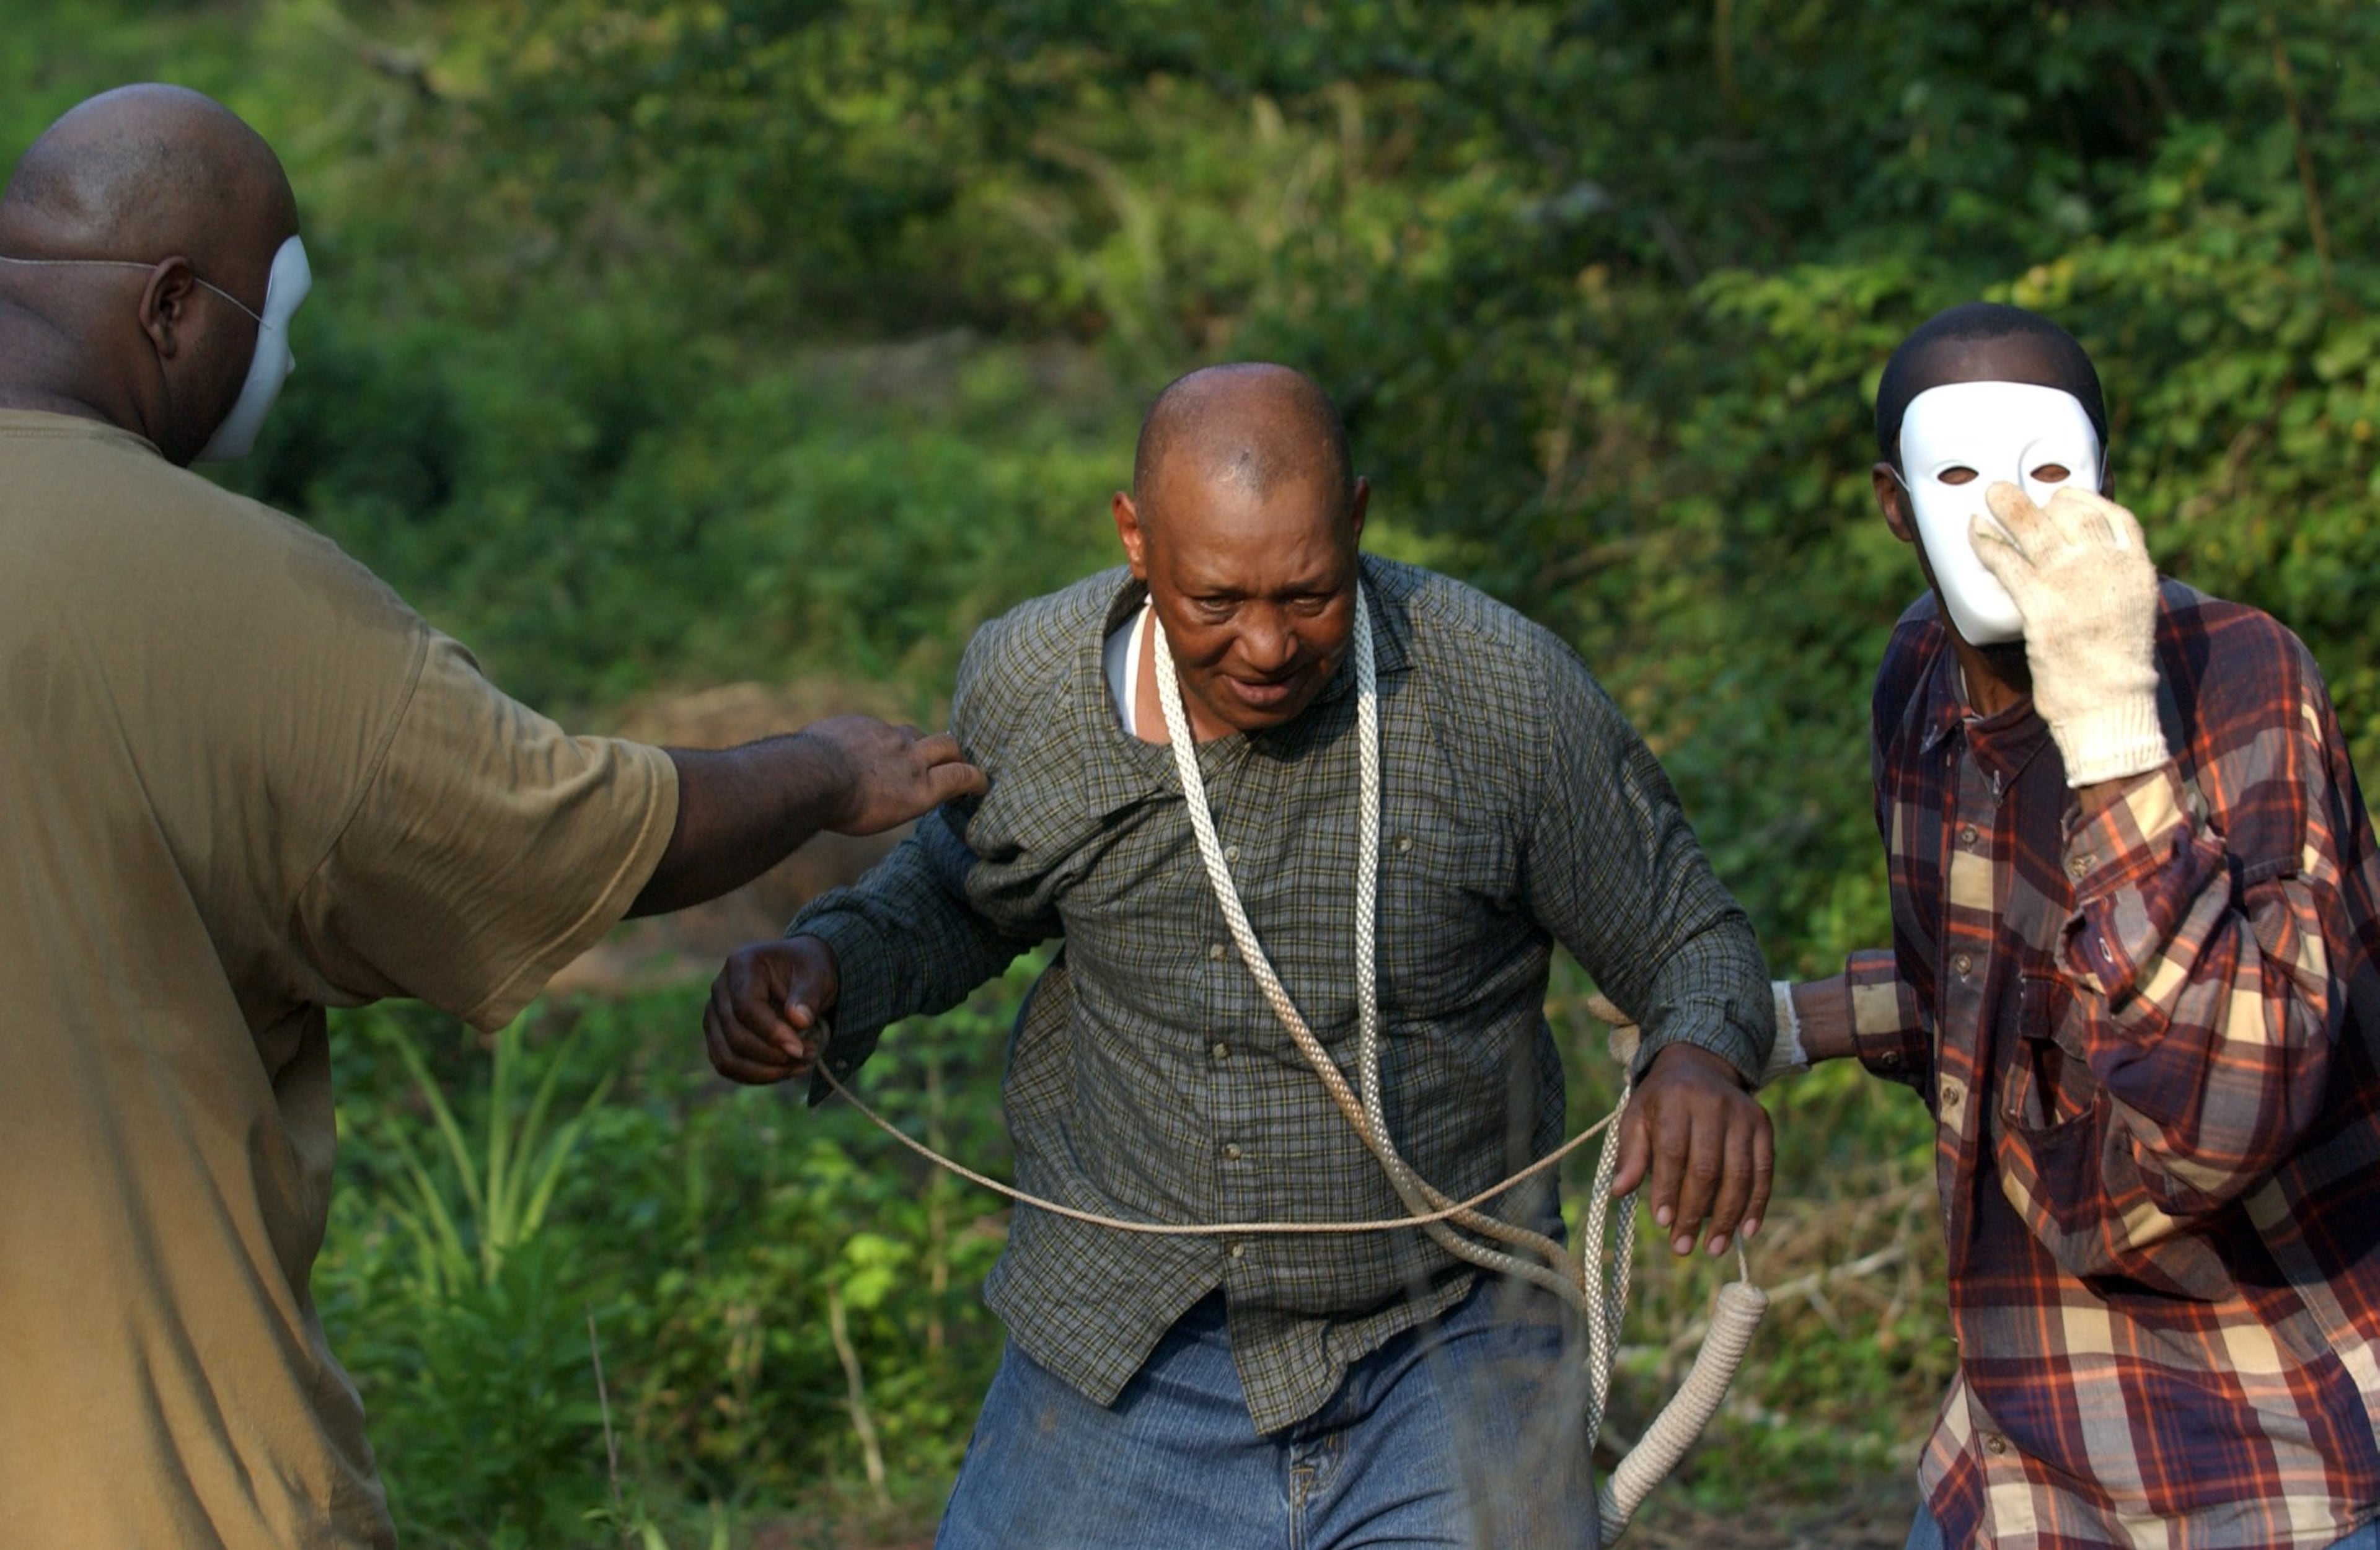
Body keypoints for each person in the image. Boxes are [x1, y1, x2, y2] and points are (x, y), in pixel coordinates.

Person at [0, 84, 984, 1549]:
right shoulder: (225, 593)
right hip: (134, 1475)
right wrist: (825, 772)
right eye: (269, 314)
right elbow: (560, 830)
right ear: (169, 309)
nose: (274, 359)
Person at [704, 361, 1776, 1548]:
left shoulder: (1499, 693)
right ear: (1135, 540)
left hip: (1452, 1335)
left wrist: (1699, 1057)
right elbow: (961, 898)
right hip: (1122, 1339)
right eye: (1215, 601)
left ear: (1359, 521)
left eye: (1309, 593)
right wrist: (830, 968)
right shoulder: (1039, 690)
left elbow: (1691, 935)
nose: (1266, 644)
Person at [1771, 302, 2380, 1548]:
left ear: (2108, 480)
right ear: (1894, 506)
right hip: (2025, 1445)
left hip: (2264, 1450)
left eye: (2047, 471)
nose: (2008, 516)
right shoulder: (1919, 687)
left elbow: (2225, 1115)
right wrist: (1784, 1024)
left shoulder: (2246, 683)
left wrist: (2106, 717)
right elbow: (1991, 980)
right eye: (1958, 476)